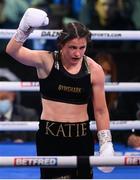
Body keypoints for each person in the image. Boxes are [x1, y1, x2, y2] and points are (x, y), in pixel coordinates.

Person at [6, 8, 114, 179]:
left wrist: (106, 143)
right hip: (51, 138)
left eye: (82, 47)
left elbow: (100, 110)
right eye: (72, 47)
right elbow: (12, 51)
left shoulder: (94, 69)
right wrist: (25, 28)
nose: (77, 53)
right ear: (61, 44)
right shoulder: (46, 61)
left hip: (81, 137)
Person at [0, 69, 39, 142]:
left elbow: (36, 144)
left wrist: (23, 146)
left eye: (3, 98)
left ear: (13, 96)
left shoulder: (28, 115)